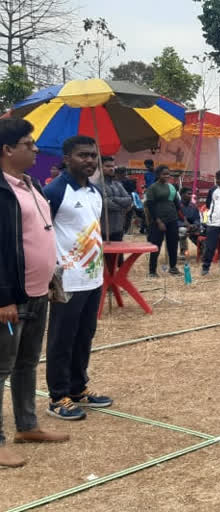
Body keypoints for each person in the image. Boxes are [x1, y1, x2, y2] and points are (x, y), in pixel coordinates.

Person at [0, 119, 69, 467]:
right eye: (28, 143)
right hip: (12, 297)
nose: (36, 150)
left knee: (27, 363)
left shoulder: (31, 185)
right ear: (8, 150)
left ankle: (26, 425)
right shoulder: (2, 191)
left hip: (38, 292)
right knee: (1, 366)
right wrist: (3, 297)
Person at [43, 135, 113, 421]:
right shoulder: (55, 191)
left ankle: (78, 387)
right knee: (62, 338)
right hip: (66, 281)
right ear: (67, 158)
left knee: (85, 335)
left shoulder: (95, 193)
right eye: (83, 155)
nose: (90, 161)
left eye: (93, 156)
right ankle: (58, 396)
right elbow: (41, 233)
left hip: (93, 277)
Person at [144, 166, 184, 277]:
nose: (167, 176)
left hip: (172, 219)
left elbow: (177, 204)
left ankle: (173, 268)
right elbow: (150, 206)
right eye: (164, 174)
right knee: (156, 246)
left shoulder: (171, 187)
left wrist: (183, 219)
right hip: (158, 221)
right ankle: (152, 271)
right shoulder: (152, 188)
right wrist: (158, 221)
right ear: (158, 175)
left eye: (168, 174)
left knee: (173, 244)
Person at [101, 156, 132, 244]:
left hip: (119, 228)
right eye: (107, 166)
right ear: (100, 167)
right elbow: (106, 204)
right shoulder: (97, 185)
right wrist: (123, 207)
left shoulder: (118, 184)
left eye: (113, 166)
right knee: (105, 257)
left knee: (118, 257)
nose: (111, 169)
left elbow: (129, 199)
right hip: (104, 230)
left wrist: (114, 199)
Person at [178, 186, 202, 257]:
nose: (190, 196)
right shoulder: (177, 206)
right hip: (180, 227)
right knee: (183, 230)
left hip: (192, 226)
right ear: (182, 195)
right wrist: (184, 225)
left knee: (202, 229)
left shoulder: (193, 206)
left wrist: (195, 225)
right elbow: (175, 220)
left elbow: (197, 219)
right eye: (188, 194)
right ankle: (184, 252)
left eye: (191, 194)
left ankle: (202, 248)